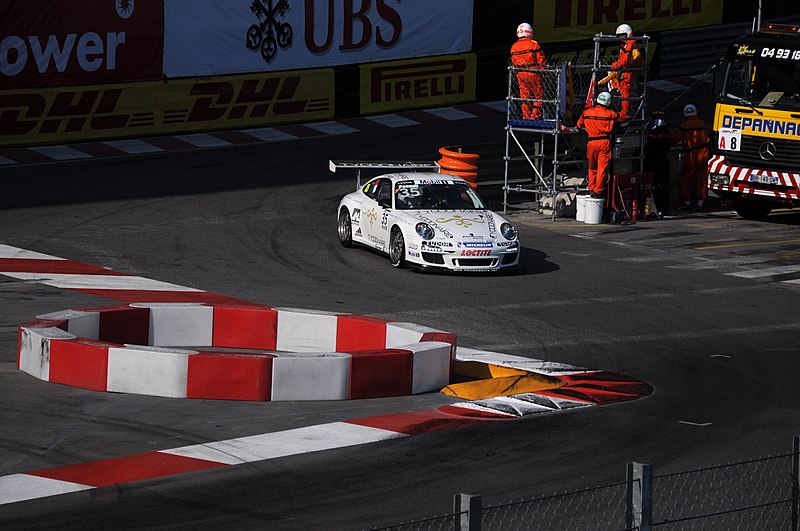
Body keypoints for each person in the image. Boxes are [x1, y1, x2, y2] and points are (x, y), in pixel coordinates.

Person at [576, 91, 619, 199]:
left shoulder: (587, 113)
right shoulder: (611, 114)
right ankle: (598, 191)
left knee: (592, 167)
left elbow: (579, 125)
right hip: (604, 142)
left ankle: (591, 187)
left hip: (591, 142)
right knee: (602, 168)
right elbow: (621, 118)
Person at [672, 103, 710, 212]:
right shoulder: (701, 122)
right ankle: (700, 203)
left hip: (693, 154)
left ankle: (687, 202)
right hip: (705, 152)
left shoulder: (683, 125)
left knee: (683, 179)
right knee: (702, 179)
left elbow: (675, 139)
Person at [510, 22, 548, 120]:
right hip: (534, 72)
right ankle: (535, 116)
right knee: (538, 96)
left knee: (525, 97)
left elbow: (513, 61)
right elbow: (541, 60)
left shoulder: (514, 46)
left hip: (520, 73)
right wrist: (544, 71)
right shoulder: (533, 44)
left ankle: (526, 117)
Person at [609, 23, 643, 123]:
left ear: (628, 34)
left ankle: (625, 114)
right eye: (619, 36)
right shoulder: (625, 44)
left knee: (626, 95)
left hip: (628, 72)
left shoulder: (631, 44)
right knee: (624, 93)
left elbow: (627, 61)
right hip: (624, 71)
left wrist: (620, 66)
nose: (621, 38)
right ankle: (615, 87)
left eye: (623, 35)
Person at [643, 106, 672, 214]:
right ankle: (664, 207)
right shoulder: (666, 129)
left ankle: (656, 208)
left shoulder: (651, 130)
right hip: (664, 159)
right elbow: (669, 145)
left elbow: (650, 146)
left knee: (654, 184)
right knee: (664, 184)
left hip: (653, 160)